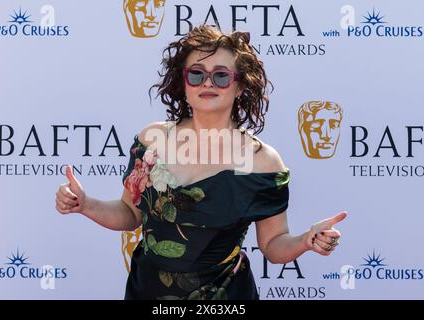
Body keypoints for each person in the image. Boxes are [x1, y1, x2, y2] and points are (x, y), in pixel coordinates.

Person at [55, 25, 347, 300]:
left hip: (224, 295)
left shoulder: (262, 161)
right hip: (149, 292)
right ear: (183, 82)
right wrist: (85, 204)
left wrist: (305, 241)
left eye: (221, 75)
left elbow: (273, 245)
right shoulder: (152, 139)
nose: (207, 82)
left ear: (240, 86)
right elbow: (129, 214)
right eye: (196, 74)